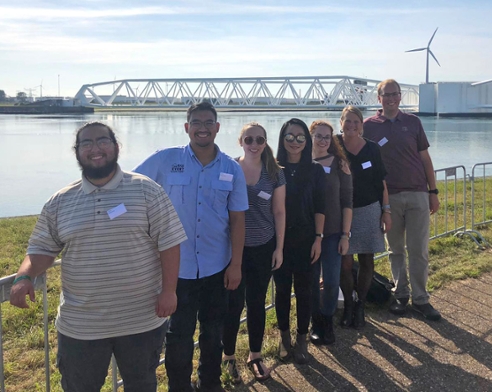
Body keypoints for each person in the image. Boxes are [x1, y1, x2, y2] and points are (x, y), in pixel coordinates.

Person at [10, 121, 187, 392]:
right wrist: (24, 277)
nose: (96, 148)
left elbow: (170, 243)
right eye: (87, 143)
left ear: (116, 147)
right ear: (77, 151)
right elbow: (41, 249)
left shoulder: (147, 190)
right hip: (81, 324)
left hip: (141, 319)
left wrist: (169, 291)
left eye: (103, 141)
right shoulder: (60, 201)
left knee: (141, 385)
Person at [134, 101, 248, 392]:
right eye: (196, 122)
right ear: (187, 127)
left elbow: (237, 220)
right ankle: (179, 387)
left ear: (218, 128)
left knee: (213, 332)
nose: (202, 128)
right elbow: (131, 186)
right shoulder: (165, 160)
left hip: (216, 266)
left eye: (208, 122)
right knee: (179, 335)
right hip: (177, 269)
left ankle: (209, 383)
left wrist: (235, 265)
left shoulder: (231, 169)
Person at [363, 79, 441, 321]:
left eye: (395, 94)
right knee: (395, 249)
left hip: (418, 193)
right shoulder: (368, 126)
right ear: (379, 98)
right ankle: (400, 294)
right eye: (386, 95)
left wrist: (433, 191)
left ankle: (421, 299)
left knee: (418, 250)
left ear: (400, 96)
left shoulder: (413, 122)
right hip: (389, 198)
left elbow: (425, 159)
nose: (391, 98)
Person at [221, 122, 286, 382]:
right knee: (232, 305)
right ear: (241, 142)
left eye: (259, 139)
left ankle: (255, 355)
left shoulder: (274, 172)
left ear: (265, 141)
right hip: (231, 251)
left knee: (257, 303)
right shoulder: (229, 168)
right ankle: (227, 357)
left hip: (263, 246)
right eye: (249, 139)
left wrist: (279, 248)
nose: (254, 144)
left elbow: (279, 212)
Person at [274, 118, 326, 365]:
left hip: (306, 239)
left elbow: (320, 206)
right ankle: (284, 337)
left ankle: (302, 339)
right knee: (282, 291)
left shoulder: (315, 170)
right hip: (278, 240)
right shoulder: (273, 168)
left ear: (307, 140)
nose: (294, 142)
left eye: (300, 137)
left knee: (305, 291)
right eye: (289, 137)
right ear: (282, 139)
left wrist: (318, 238)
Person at [337, 106, 392, 329]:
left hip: (370, 208)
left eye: (356, 122)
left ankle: (360, 306)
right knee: (345, 262)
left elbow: (382, 183)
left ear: (362, 124)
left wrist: (386, 211)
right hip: (342, 211)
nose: (352, 126)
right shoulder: (333, 145)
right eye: (348, 121)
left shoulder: (372, 148)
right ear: (341, 122)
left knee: (367, 260)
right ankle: (348, 304)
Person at [308, 120, 352, 345]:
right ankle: (315, 321)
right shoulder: (301, 161)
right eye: (318, 136)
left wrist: (345, 234)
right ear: (310, 136)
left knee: (332, 280)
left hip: (333, 232)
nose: (323, 140)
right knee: (312, 281)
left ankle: (327, 319)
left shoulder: (340, 164)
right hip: (308, 234)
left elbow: (347, 201)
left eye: (327, 136)